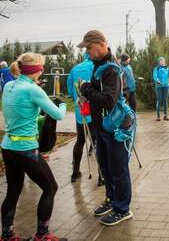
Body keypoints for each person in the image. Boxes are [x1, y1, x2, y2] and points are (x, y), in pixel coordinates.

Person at [1, 53, 67, 241]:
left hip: (8, 146)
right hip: (26, 149)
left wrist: (33, 87)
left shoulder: (9, 86)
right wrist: (61, 103)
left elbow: (23, 107)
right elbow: (58, 115)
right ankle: (42, 234)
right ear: (36, 70)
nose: (42, 71)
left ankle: (6, 235)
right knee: (50, 187)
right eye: (42, 68)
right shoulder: (33, 91)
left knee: (13, 190)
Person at [78, 30, 132, 226]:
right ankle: (112, 199)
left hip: (116, 127)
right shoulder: (98, 65)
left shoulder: (112, 70)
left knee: (119, 169)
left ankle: (123, 208)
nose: (88, 53)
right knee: (106, 168)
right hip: (102, 126)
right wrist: (85, 97)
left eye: (90, 48)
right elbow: (97, 96)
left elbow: (109, 100)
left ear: (101, 44)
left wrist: (86, 89)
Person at [67, 53, 97, 183]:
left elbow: (69, 90)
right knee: (98, 142)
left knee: (80, 140)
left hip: (80, 111)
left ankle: (75, 173)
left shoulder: (75, 68)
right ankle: (101, 177)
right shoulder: (96, 67)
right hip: (95, 111)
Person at [152, 57, 169, 121]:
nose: (162, 62)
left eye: (163, 61)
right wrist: (157, 80)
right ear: (159, 62)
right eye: (160, 61)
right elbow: (155, 75)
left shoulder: (167, 68)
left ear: (164, 61)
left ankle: (165, 115)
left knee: (165, 100)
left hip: (166, 86)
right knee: (159, 100)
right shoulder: (156, 68)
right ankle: (158, 116)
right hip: (159, 86)